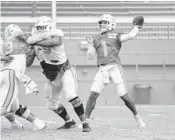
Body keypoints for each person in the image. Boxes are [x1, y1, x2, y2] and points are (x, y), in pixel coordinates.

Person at [27, 16, 91, 132]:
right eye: (38, 28)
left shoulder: (56, 36)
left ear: (49, 27)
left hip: (65, 71)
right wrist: (29, 51)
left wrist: (34, 41)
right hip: (51, 77)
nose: (40, 30)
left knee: (71, 96)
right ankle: (69, 121)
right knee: (52, 105)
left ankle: (85, 122)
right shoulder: (35, 44)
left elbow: (52, 42)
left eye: (42, 27)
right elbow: (28, 62)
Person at [85, 14, 146, 128]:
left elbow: (131, 36)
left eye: (105, 22)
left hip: (114, 67)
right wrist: (90, 46)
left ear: (111, 24)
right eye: (101, 22)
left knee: (123, 95)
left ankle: (138, 117)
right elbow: (90, 57)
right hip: (102, 68)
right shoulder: (95, 37)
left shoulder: (116, 35)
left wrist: (137, 27)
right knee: (93, 94)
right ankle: (86, 121)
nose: (102, 24)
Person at [0, 24, 46, 130]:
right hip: (9, 75)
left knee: (13, 107)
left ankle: (36, 122)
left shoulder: (6, 44)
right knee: (7, 106)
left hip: (7, 74)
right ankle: (24, 123)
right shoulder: (20, 42)